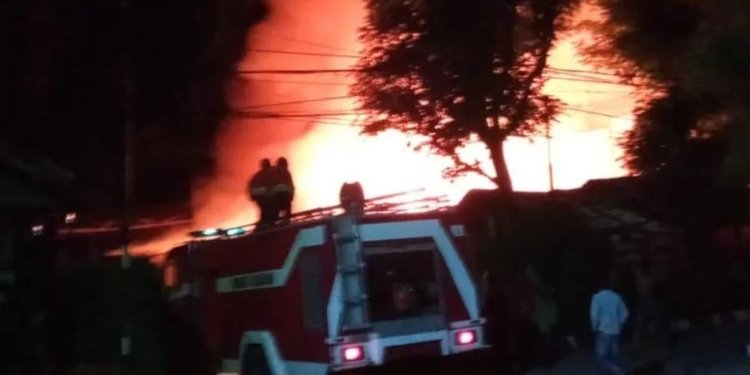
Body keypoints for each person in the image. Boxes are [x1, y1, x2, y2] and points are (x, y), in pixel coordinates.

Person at [590, 273, 629, 375]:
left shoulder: (597, 297)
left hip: (603, 330)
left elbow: (594, 315)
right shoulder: (617, 297)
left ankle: (618, 371)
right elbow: (625, 313)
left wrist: (594, 328)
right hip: (615, 331)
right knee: (613, 356)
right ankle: (616, 370)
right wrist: (620, 325)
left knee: (602, 359)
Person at [248, 159, 273, 228]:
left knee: (264, 211)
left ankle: (262, 224)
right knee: (268, 211)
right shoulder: (270, 174)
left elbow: (251, 185)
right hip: (264, 196)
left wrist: (253, 196)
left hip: (258, 196)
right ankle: (266, 224)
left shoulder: (257, 175)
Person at [269, 157, 294, 224]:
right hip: (285, 196)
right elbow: (290, 185)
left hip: (275, 197)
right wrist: (291, 197)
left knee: (274, 215)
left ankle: (273, 225)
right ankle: (286, 223)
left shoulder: (273, 171)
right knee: (286, 214)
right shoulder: (286, 172)